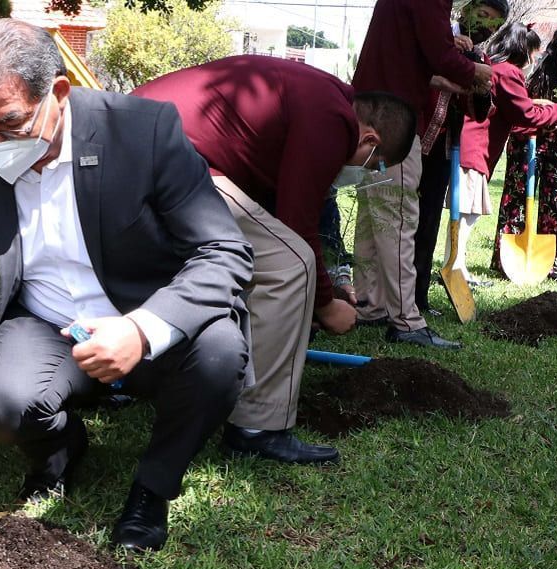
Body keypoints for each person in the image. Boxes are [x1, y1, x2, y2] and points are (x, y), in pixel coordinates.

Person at [0, 19, 253, 552]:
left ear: (58, 93)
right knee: (3, 400)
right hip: (47, 323)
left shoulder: (142, 133)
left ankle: (152, 489)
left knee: (221, 352)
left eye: (10, 123)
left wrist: (142, 329)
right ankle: (61, 448)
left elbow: (224, 251)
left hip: (144, 315)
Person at [133, 56, 416, 465]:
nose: (369, 171)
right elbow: (296, 226)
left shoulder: (318, 94)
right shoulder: (335, 120)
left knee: (271, 257)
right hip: (169, 158)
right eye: (378, 166)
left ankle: (178, 376)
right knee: (290, 265)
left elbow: (271, 217)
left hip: (145, 145)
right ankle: (258, 425)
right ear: (369, 141)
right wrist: (326, 304)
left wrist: (323, 290)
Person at [351, 0, 492, 349]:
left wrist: (445, 74)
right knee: (398, 215)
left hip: (370, 107)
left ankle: (370, 305)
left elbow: (409, 60)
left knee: (374, 214)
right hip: (394, 117)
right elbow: (439, 55)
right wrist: (479, 74)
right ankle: (406, 320)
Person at [449, 23, 557, 282]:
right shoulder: (510, 73)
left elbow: (514, 108)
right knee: (468, 210)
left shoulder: (495, 68)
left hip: (472, 143)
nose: (535, 59)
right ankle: (456, 265)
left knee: (464, 209)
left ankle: (456, 263)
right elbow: (523, 114)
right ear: (523, 50)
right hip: (476, 146)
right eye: (534, 53)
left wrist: (536, 104)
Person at [414, 0, 509, 314]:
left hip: (442, 149)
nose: (484, 26)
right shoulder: (436, 37)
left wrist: (478, 82)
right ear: (466, 10)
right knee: (400, 219)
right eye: (481, 16)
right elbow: (413, 70)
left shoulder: (479, 57)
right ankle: (382, 293)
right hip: (412, 137)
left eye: (494, 24)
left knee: (428, 222)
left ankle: (418, 297)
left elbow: (480, 110)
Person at [492, 14, 557, 282]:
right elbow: (520, 101)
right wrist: (545, 106)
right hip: (527, 140)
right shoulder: (538, 64)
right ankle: (506, 259)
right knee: (516, 200)